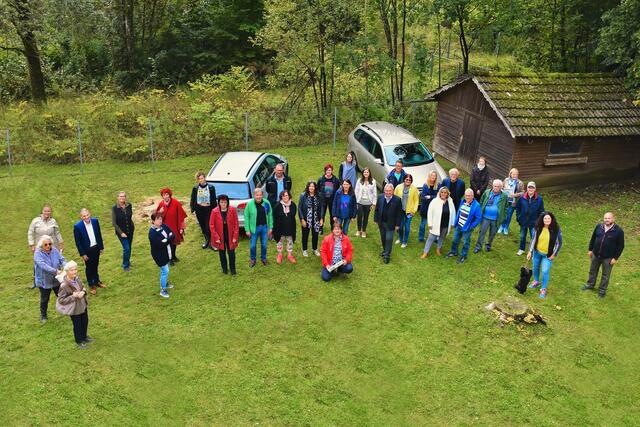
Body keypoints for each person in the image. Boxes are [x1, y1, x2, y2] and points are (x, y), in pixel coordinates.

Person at [582, 212, 625, 298]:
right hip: (595, 254)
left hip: (608, 258)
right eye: (605, 218)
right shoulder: (599, 227)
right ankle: (590, 284)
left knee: (605, 275)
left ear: (613, 219)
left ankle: (602, 290)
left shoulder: (618, 231)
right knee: (592, 270)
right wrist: (590, 249)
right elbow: (593, 238)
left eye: (609, 218)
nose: (607, 220)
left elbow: (621, 246)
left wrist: (615, 258)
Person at [527, 212, 563, 299]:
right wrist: (530, 251)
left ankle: (543, 288)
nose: (547, 220)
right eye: (545, 219)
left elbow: (559, 243)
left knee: (545, 271)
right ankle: (536, 281)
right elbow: (533, 240)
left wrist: (554, 254)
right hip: (537, 252)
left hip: (548, 255)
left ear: (552, 219)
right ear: (542, 219)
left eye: (549, 219)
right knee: (535, 267)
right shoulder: (538, 228)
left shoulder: (556, 229)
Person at [28, 204, 64, 289]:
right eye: (45, 211)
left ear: (51, 212)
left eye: (48, 211)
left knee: (54, 262)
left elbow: (57, 232)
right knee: (39, 264)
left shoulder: (53, 221)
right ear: (42, 211)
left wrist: (61, 242)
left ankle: (56, 279)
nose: (47, 213)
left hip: (51, 245)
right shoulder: (36, 221)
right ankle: (37, 282)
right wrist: (32, 244)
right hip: (40, 246)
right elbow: (30, 232)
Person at [56, 261, 91, 349]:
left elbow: (83, 286)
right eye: (72, 270)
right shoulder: (64, 285)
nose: (74, 272)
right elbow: (61, 300)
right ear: (67, 272)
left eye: (75, 269)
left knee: (85, 321)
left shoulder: (77, 278)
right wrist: (73, 296)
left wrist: (83, 292)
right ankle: (79, 341)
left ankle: (84, 337)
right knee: (77, 325)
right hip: (74, 309)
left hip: (83, 305)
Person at [34, 235, 65, 323]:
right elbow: (43, 265)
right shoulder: (37, 253)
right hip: (44, 281)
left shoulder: (54, 250)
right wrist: (55, 271)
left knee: (61, 295)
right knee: (45, 299)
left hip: (56, 279)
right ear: (41, 245)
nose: (48, 246)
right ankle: (43, 316)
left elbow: (61, 259)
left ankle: (66, 310)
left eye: (50, 244)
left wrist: (65, 265)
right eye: (45, 245)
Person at [73, 208, 104, 295]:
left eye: (87, 215)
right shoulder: (78, 226)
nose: (86, 217)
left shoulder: (95, 221)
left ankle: (97, 281)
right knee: (89, 268)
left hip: (96, 247)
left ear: (89, 214)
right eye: (84, 216)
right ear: (81, 217)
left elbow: (99, 234)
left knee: (96, 264)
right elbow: (78, 242)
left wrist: (101, 247)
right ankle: (91, 284)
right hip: (87, 250)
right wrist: (83, 254)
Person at [447, 189, 482, 264]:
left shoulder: (476, 205)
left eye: (469, 196)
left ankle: (463, 256)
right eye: (466, 195)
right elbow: (459, 212)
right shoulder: (462, 201)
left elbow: (478, 218)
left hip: (467, 228)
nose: (467, 197)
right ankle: (454, 252)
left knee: (465, 242)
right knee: (455, 240)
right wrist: (456, 222)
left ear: (472, 196)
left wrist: (471, 226)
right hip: (459, 225)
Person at [473, 179, 508, 254]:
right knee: (482, 232)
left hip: (496, 219)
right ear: (492, 186)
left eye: (498, 186)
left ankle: (488, 246)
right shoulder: (487, 192)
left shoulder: (504, 196)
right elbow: (481, 201)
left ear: (501, 187)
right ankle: (478, 247)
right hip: (485, 217)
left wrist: (503, 216)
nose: (496, 188)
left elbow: (506, 207)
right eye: (495, 186)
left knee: (492, 234)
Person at [421, 187, 456, 258]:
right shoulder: (435, 201)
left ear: (447, 194)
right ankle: (425, 252)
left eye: (445, 192)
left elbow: (453, 212)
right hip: (435, 223)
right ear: (439, 193)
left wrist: (452, 223)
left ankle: (438, 249)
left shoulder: (450, 201)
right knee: (431, 238)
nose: (443, 194)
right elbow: (430, 212)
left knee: (442, 237)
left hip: (445, 223)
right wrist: (430, 223)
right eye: (442, 192)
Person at [156, 187, 187, 264]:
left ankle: (173, 256)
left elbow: (181, 216)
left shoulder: (176, 203)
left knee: (174, 242)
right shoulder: (161, 204)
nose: (165, 196)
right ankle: (169, 259)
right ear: (162, 196)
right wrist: (160, 212)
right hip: (164, 228)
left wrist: (181, 227)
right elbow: (156, 217)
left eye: (167, 194)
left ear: (169, 195)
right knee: (168, 244)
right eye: (164, 195)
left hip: (174, 226)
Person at [209, 195, 239, 275]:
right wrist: (216, 237)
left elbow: (236, 223)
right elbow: (211, 225)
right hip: (220, 237)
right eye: (221, 202)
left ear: (227, 202)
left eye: (225, 202)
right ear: (218, 202)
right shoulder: (214, 211)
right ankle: (224, 269)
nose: (223, 204)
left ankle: (233, 269)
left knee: (231, 253)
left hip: (230, 236)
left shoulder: (232, 210)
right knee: (222, 254)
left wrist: (235, 236)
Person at [374, 184, 403, 264]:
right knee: (383, 238)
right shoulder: (380, 197)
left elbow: (399, 214)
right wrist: (376, 219)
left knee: (389, 239)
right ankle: (385, 250)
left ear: (393, 191)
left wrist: (397, 225)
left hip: (391, 224)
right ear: (384, 191)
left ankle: (387, 256)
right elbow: (376, 209)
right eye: (386, 191)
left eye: (390, 191)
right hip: (381, 222)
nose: (388, 192)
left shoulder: (397, 200)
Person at [244, 187, 273, 267]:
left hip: (264, 228)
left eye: (260, 195)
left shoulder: (266, 203)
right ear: (254, 195)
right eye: (257, 195)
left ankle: (263, 258)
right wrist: (247, 230)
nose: (258, 197)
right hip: (254, 229)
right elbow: (246, 217)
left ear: (262, 195)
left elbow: (270, 215)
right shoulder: (249, 204)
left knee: (264, 245)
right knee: (253, 245)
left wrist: (270, 227)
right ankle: (253, 259)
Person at [149, 213, 175, 298]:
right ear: (153, 221)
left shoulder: (164, 226)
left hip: (167, 252)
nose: (160, 220)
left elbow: (172, 234)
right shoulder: (152, 232)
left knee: (164, 269)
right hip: (159, 255)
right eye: (157, 219)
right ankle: (163, 290)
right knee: (165, 270)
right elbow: (159, 245)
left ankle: (165, 283)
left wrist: (165, 240)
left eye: (160, 218)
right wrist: (168, 238)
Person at [515, 182, 544, 256]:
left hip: (534, 222)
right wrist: (519, 217)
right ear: (527, 188)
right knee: (522, 236)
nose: (530, 189)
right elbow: (518, 208)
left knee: (533, 237)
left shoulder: (539, 199)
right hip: (523, 221)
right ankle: (521, 249)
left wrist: (539, 221)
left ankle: (533, 251)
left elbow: (541, 211)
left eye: (532, 188)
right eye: (529, 187)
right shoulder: (522, 198)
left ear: (535, 189)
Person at [190, 172, 217, 249]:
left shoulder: (211, 187)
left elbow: (214, 199)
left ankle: (211, 243)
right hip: (199, 209)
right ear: (198, 180)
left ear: (205, 178)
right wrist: (192, 209)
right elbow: (192, 199)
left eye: (202, 178)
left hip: (208, 209)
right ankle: (207, 241)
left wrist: (215, 210)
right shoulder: (195, 188)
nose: (201, 180)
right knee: (203, 227)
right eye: (199, 179)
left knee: (208, 227)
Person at [298, 181, 324, 257]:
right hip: (306, 219)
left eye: (313, 186)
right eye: (310, 186)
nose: (311, 188)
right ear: (308, 187)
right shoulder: (303, 196)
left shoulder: (318, 195)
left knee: (315, 235)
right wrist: (302, 219)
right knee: (305, 235)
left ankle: (315, 249)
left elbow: (322, 207)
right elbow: (299, 208)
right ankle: (305, 249)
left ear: (315, 187)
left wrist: (321, 218)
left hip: (316, 219)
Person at [111, 191, 135, 271]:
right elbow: (114, 223)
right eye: (120, 196)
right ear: (118, 198)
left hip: (130, 230)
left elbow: (129, 217)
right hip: (121, 232)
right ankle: (125, 266)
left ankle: (127, 261)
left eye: (124, 196)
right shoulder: (114, 208)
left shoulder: (129, 205)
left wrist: (132, 226)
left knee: (129, 247)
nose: (122, 198)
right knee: (127, 248)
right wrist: (121, 233)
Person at [394, 174, 419, 248]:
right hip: (400, 211)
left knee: (407, 227)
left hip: (409, 211)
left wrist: (413, 211)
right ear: (404, 179)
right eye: (407, 179)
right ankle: (400, 238)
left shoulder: (414, 189)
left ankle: (405, 242)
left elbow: (416, 201)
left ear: (411, 181)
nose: (408, 181)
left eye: (409, 180)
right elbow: (394, 197)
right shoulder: (398, 187)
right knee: (400, 227)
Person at [273, 190, 297, 264]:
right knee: (280, 242)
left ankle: (289, 255)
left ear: (289, 196)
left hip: (290, 228)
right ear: (281, 197)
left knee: (290, 241)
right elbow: (275, 217)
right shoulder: (277, 206)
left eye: (287, 195)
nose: (285, 197)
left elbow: (293, 214)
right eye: (283, 196)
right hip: (280, 229)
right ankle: (280, 255)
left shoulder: (293, 205)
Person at [499, 168, 525, 235]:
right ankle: (501, 226)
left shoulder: (520, 183)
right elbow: (501, 187)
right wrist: (503, 191)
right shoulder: (506, 180)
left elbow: (522, 192)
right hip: (505, 200)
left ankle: (506, 227)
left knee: (509, 215)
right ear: (510, 174)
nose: (515, 175)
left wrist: (515, 195)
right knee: (504, 214)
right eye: (513, 174)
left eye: (516, 174)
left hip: (513, 202)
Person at [418, 171, 441, 242]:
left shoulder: (439, 185)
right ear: (429, 176)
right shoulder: (425, 185)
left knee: (434, 224)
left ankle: (434, 237)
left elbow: (439, 196)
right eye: (432, 175)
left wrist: (430, 197)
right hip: (425, 208)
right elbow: (423, 197)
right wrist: (432, 197)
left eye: (434, 176)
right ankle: (421, 237)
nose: (433, 177)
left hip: (435, 208)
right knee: (423, 223)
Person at [354, 167, 377, 238]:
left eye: (367, 172)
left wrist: (374, 203)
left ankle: (363, 231)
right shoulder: (359, 181)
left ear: (369, 173)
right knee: (359, 216)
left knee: (366, 217)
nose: (366, 173)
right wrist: (355, 202)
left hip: (368, 203)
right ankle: (358, 230)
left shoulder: (373, 181)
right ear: (363, 173)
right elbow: (356, 191)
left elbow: (374, 193)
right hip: (360, 202)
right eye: (364, 172)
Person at [318, 164, 341, 229]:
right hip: (323, 200)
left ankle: (332, 227)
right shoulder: (321, 179)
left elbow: (339, 190)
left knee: (332, 215)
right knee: (322, 214)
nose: (328, 172)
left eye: (330, 170)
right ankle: (320, 228)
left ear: (332, 171)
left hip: (332, 200)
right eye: (327, 170)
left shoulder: (335, 180)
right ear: (325, 171)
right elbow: (318, 189)